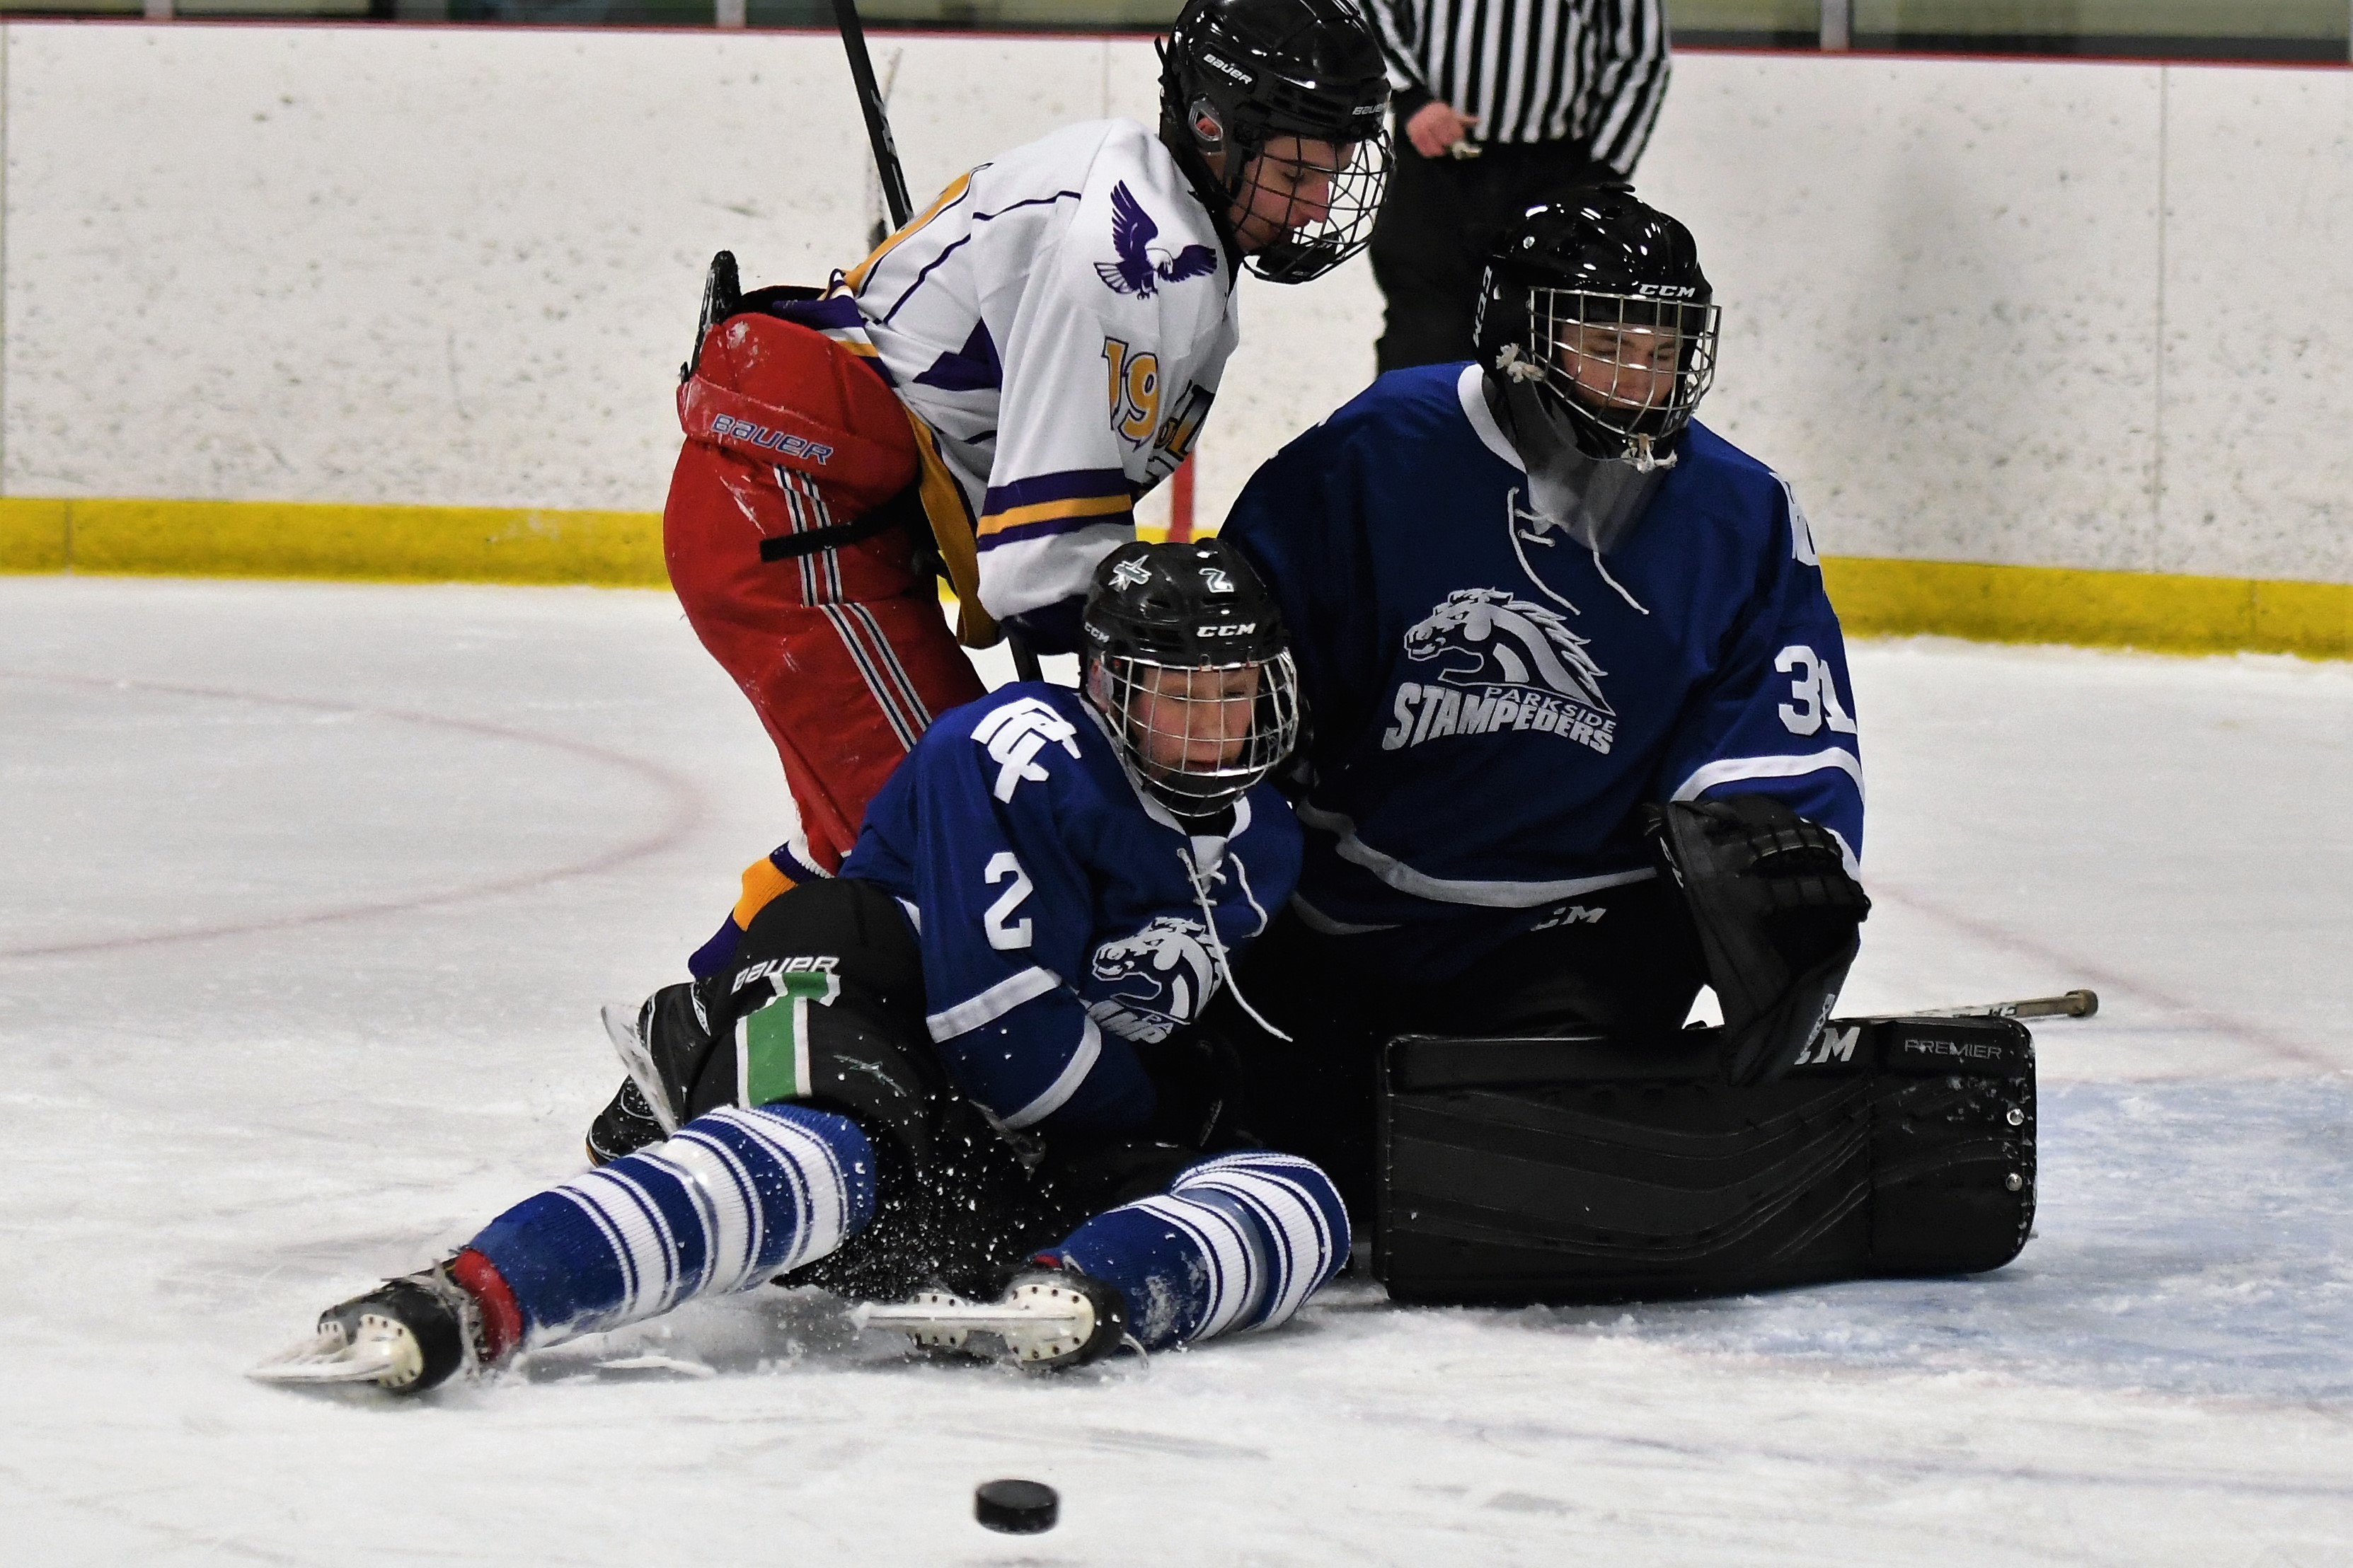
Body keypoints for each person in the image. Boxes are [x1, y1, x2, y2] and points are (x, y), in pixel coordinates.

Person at [253, 542, 1345, 1395]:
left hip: (994, 1119)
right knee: (821, 1167)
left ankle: (1089, 1289)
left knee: (1301, 1194)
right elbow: (1002, 1033)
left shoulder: (1267, 840)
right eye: (1176, 692)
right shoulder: (1020, 746)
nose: (1210, 723)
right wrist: (1151, 1100)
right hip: (866, 994)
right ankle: (471, 1302)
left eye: (1232, 690)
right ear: (1110, 683)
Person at [1212, 189, 1870, 1215]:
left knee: (1508, 1170)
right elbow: (1243, 701)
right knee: (1272, 1129)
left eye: (1663, 347)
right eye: (1605, 343)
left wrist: (1778, 867)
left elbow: (1778, 738)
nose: (1642, 379)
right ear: (1517, 338)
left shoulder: (1739, 510)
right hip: (1346, 928)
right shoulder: (1374, 455)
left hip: (1576, 942)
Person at [665, 0, 1390, 889]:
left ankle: (712, 999)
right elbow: (1041, 570)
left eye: (1335, 169)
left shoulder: (1167, 214)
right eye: (1296, 169)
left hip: (842, 510)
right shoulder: (1132, 254)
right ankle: (744, 1019)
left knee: (893, 819)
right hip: (789, 513)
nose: (1318, 203)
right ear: (1213, 129)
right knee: (950, 845)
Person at [1362, 0, 1670, 372]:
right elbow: (1366, 10)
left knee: (1540, 349)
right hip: (1434, 171)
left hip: (1555, 176)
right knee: (1423, 342)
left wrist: (1600, 176)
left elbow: (1640, 56)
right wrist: (1409, 95)